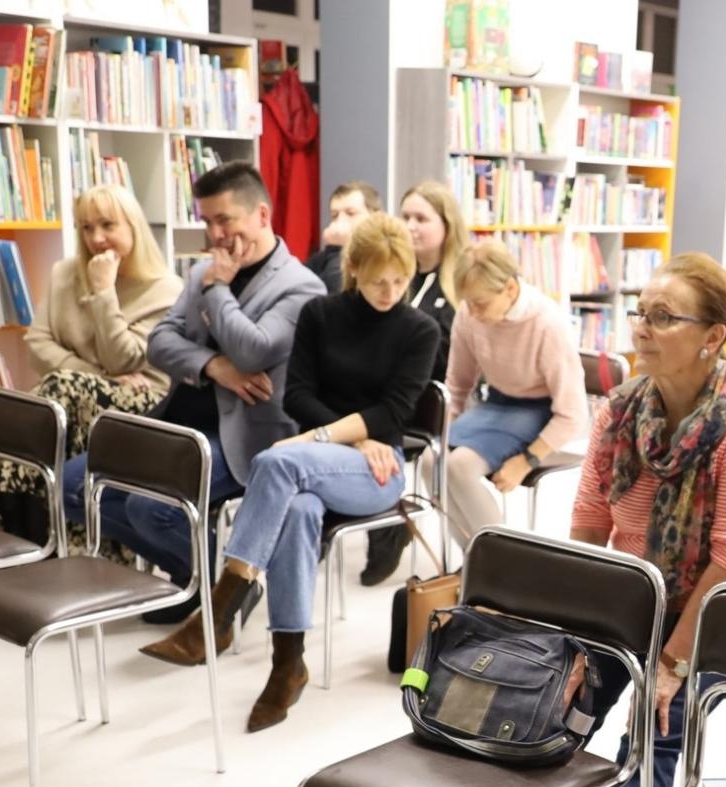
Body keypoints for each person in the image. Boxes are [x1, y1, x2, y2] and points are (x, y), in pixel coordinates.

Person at [394, 253, 726, 787]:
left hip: (712, 618)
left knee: (653, 738)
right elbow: (590, 527)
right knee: (545, 712)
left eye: (664, 316)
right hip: (626, 603)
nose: (642, 327)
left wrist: (668, 663)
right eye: (641, 311)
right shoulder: (621, 411)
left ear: (713, 336)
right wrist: (557, 641)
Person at [139, 214, 438, 731]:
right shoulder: (321, 313)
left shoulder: (420, 329)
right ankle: (287, 665)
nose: (390, 291)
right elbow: (297, 395)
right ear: (354, 270)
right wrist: (349, 435)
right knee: (297, 508)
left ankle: (217, 614)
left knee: (275, 460)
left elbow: (396, 412)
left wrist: (322, 438)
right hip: (329, 459)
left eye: (400, 280)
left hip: (379, 471)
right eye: (377, 280)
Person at [62, 161, 326, 623]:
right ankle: (202, 577)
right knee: (73, 486)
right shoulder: (203, 270)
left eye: (225, 219)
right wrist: (212, 365)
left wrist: (219, 291)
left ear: (262, 216)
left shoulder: (301, 286)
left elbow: (254, 350)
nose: (216, 233)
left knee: (150, 509)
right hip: (180, 422)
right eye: (207, 221)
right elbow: (160, 342)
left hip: (248, 437)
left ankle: (220, 589)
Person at [0, 184, 182, 556]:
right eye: (86, 227)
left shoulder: (166, 289)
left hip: (143, 402)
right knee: (62, 393)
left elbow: (124, 360)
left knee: (60, 393)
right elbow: (37, 344)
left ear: (133, 226)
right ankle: (49, 541)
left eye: (107, 225)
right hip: (71, 396)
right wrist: (90, 376)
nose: (96, 238)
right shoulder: (65, 273)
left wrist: (104, 292)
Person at [437, 240, 588, 551]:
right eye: (468, 302)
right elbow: (458, 385)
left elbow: (574, 414)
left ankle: (504, 563)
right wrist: (444, 433)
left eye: (480, 303)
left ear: (509, 288)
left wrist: (526, 460)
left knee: (460, 466)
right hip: (497, 402)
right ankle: (472, 561)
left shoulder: (547, 322)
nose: (472, 312)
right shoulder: (469, 313)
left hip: (543, 410)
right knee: (431, 459)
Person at [360, 179, 470, 586]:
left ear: (446, 225)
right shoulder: (395, 277)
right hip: (389, 390)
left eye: (421, 218)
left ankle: (389, 517)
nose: (410, 225)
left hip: (435, 399)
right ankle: (387, 512)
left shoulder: (458, 282)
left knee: (369, 420)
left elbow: (447, 356)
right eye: (405, 216)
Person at [305, 180, 380, 294]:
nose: (340, 221)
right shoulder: (320, 260)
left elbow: (341, 297)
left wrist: (338, 250)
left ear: (375, 217)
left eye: (350, 213)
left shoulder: (386, 257)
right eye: (334, 215)